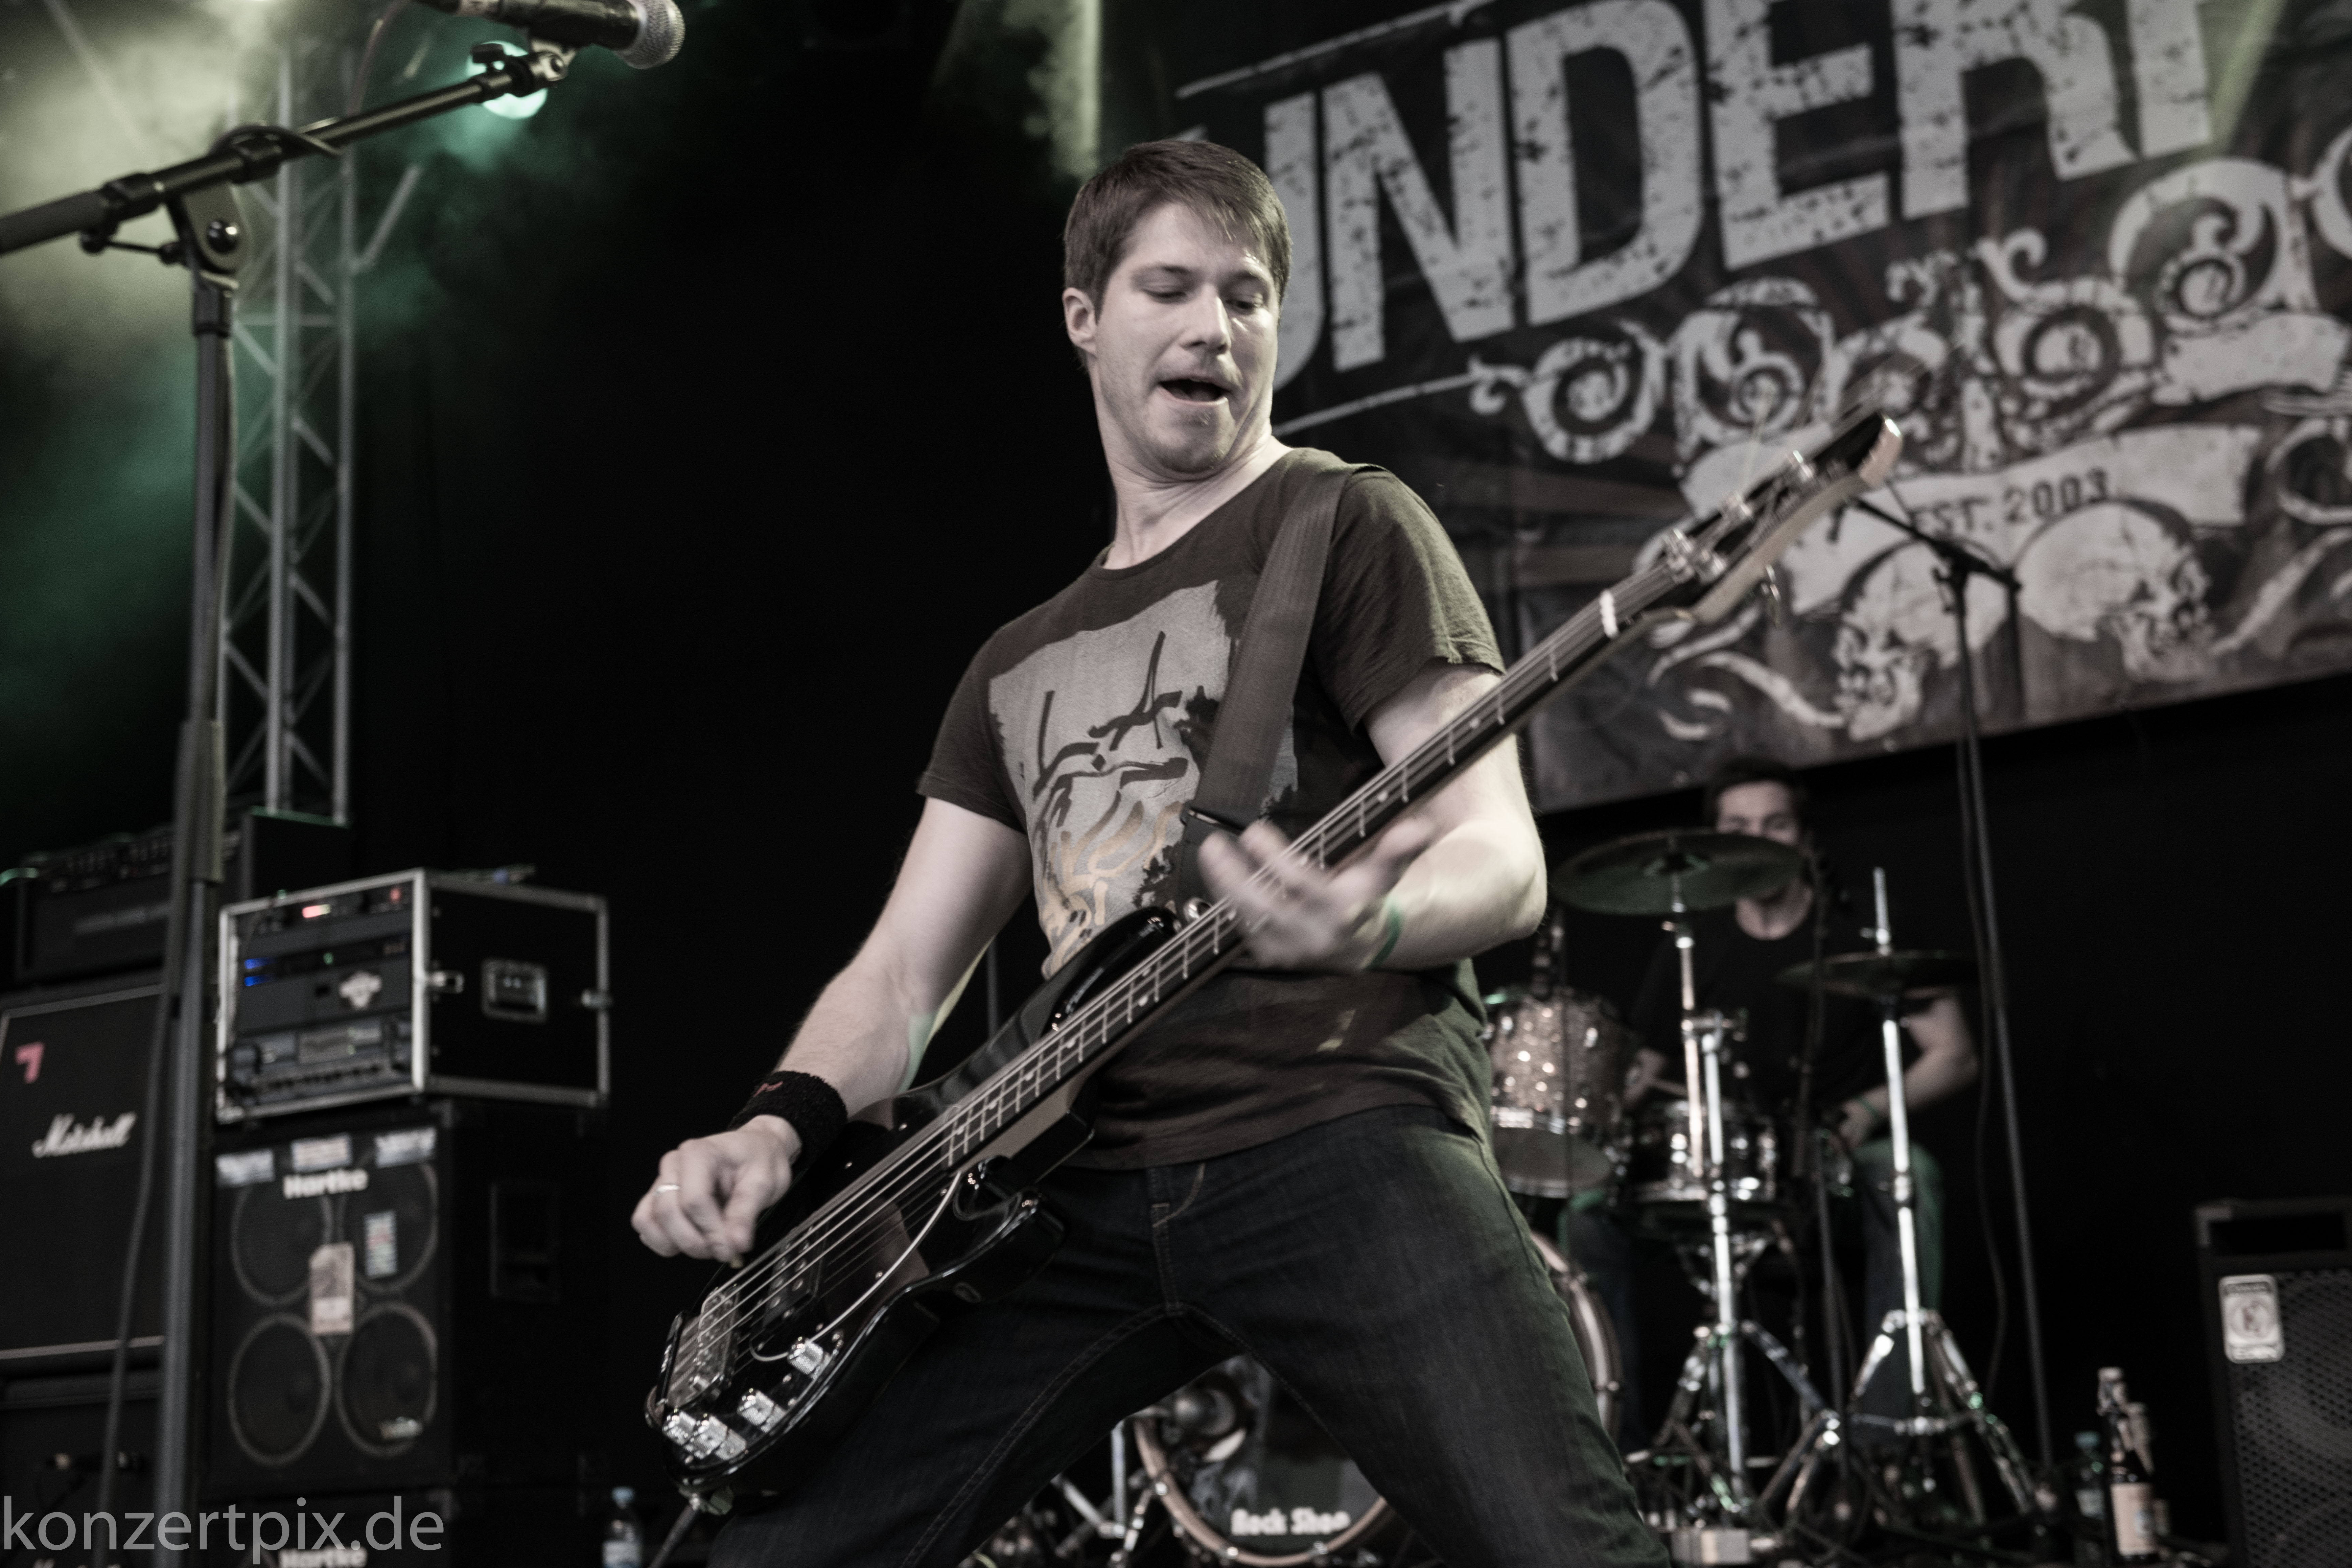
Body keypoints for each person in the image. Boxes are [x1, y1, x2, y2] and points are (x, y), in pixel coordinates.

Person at [631, 140, 1663, 1566]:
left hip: (1337, 1126)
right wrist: (774, 1124)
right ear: (1083, 316)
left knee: (1561, 1546)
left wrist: (1359, 925)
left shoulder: (1343, 521)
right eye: (1169, 289)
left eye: (1247, 296)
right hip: (1069, 1192)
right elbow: (902, 973)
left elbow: (1500, 858)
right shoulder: (1014, 661)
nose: (1213, 328)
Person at [1620, 756, 1979, 1402]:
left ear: (1805, 838)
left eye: (1776, 824)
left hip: (1838, 1164)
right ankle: (1611, 1440)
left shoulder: (1859, 928)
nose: (1758, 841)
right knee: (1590, 1215)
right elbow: (1638, 1074)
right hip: (1729, 1174)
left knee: (1908, 1174)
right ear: (1716, 843)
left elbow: (1954, 1054)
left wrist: (1869, 1111)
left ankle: (1889, 1428)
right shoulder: (1693, 945)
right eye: (1738, 828)